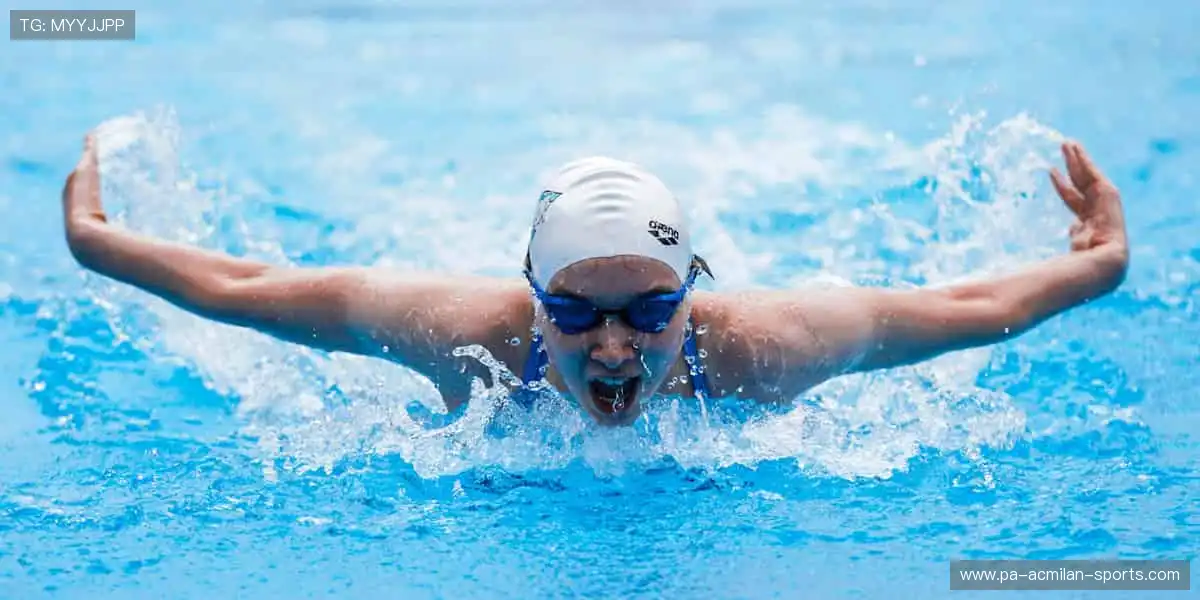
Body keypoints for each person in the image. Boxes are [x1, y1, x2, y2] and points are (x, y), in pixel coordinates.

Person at [61, 133, 1129, 426]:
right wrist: (99, 244)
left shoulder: (764, 347)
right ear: (531, 300)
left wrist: (1099, 267)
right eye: (575, 312)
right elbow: (250, 286)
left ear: (692, 291)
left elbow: (968, 310)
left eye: (649, 311)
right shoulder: (462, 334)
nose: (614, 346)